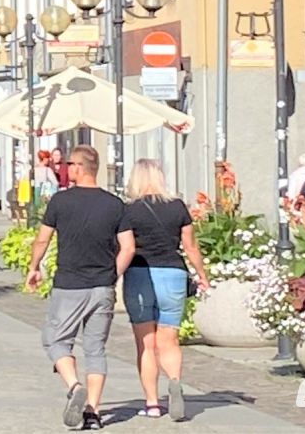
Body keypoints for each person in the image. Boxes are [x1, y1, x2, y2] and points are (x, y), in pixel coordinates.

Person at [27, 145, 135, 431]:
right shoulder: (115, 204)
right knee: (96, 349)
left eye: (70, 164)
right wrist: (113, 275)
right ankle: (93, 413)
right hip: (102, 286)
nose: (66, 168)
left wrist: (34, 267)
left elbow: (42, 239)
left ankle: (75, 387)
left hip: (69, 284)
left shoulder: (60, 202)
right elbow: (128, 247)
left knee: (55, 339)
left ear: (79, 167)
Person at [122, 159, 209, 421]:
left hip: (140, 274)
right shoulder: (177, 206)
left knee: (146, 344)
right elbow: (190, 246)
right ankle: (174, 380)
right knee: (169, 340)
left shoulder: (129, 211)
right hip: (173, 273)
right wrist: (202, 275)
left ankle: (152, 403)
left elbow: (124, 246)